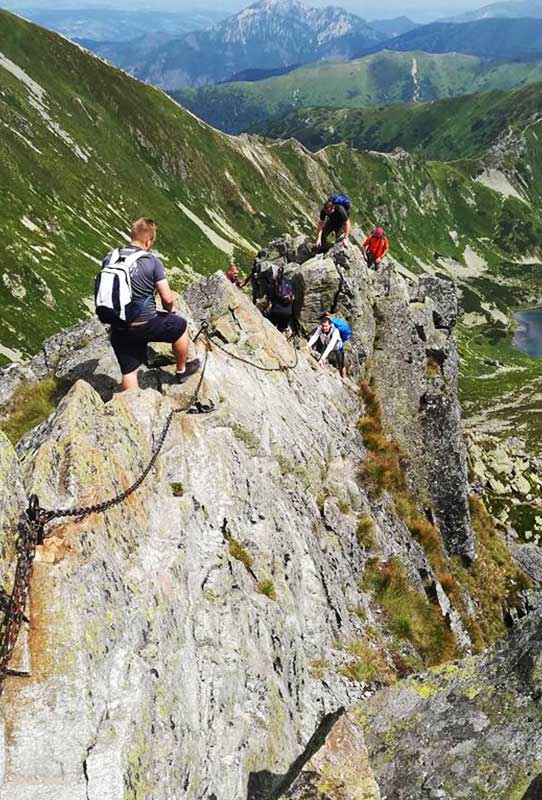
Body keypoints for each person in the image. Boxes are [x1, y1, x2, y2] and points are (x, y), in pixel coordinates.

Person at [97, 217, 200, 391]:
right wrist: (170, 311)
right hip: (146, 325)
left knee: (129, 371)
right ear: (148, 240)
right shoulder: (152, 262)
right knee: (181, 327)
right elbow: (167, 298)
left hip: (119, 327)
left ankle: (132, 405)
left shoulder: (110, 257)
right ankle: (182, 371)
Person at [267, 269, 294, 333]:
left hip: (276, 311)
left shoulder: (273, 284)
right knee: (280, 330)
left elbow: (270, 297)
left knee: (270, 328)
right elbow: (293, 296)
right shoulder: (288, 282)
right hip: (288, 312)